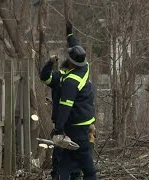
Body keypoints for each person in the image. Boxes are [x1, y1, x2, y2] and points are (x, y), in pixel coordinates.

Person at [50, 20, 97, 180]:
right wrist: (70, 34)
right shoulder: (85, 67)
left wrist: (59, 128)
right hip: (88, 124)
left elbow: (65, 106)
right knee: (71, 162)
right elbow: (77, 48)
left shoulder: (71, 82)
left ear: (70, 62)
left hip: (76, 128)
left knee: (85, 167)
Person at [39, 22, 83, 180]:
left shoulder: (74, 75)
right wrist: (50, 63)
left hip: (68, 125)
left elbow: (77, 50)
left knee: (67, 158)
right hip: (67, 125)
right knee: (62, 158)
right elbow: (44, 77)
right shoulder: (66, 75)